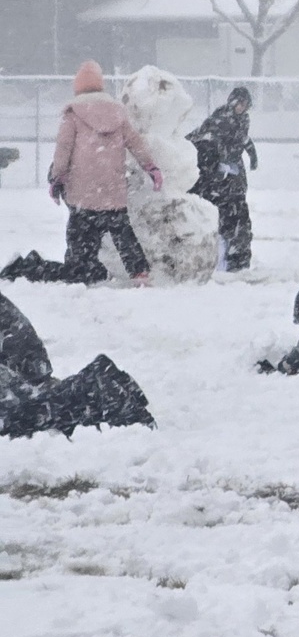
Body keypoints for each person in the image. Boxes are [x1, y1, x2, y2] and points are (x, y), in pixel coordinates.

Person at [0, 61, 162, 286]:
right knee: (124, 234)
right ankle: (140, 273)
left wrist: (57, 179)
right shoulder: (117, 113)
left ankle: (77, 270)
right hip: (113, 192)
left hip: (83, 195)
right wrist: (151, 167)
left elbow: (63, 150)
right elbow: (135, 143)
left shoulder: (73, 114)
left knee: (80, 241)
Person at [0, 290, 155, 438]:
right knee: (28, 406)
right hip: (24, 360)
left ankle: (91, 391)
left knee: (18, 417)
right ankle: (90, 387)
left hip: (18, 362)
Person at [186, 86, 258, 271]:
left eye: (245, 104)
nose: (242, 107)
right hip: (217, 177)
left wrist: (252, 155)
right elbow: (204, 138)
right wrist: (217, 167)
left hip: (232, 175)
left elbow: (243, 140)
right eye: (239, 103)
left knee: (237, 215)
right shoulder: (220, 120)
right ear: (233, 102)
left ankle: (236, 260)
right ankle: (226, 260)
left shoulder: (242, 120)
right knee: (226, 218)